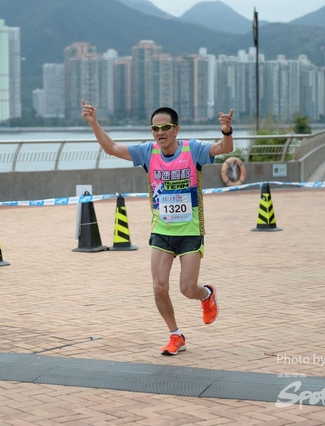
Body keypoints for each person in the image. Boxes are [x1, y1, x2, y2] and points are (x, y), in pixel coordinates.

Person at [81, 100, 234, 356]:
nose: (160, 133)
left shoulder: (193, 149)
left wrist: (226, 131)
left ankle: (206, 294)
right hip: (161, 231)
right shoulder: (147, 152)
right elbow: (112, 148)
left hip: (190, 231)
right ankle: (176, 335)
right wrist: (94, 123)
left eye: (165, 127)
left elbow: (224, 148)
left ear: (176, 129)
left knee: (187, 289)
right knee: (159, 287)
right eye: (155, 128)